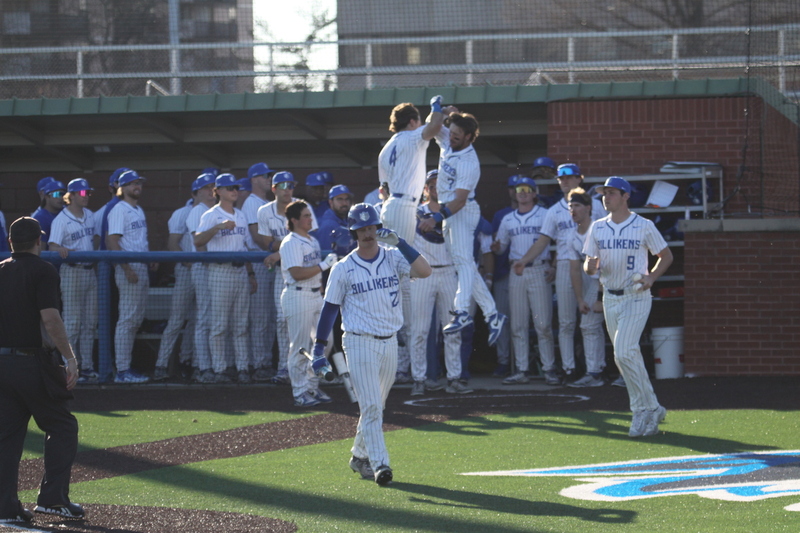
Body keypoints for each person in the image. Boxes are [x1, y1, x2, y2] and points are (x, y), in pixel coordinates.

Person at [311, 203, 431, 486]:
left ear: (378, 228)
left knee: (374, 406)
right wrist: (318, 349)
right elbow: (329, 310)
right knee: (372, 406)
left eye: (371, 228)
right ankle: (380, 464)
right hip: (358, 341)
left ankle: (357, 455)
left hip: (389, 341)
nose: (367, 234)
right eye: (361, 229)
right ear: (353, 232)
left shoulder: (393, 256)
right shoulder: (343, 268)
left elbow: (425, 271)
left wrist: (401, 243)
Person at [0, 216, 84, 523]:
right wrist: (70, 357)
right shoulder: (43, 270)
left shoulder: (1, 269)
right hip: (31, 362)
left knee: (7, 437)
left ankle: (5, 508)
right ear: (39, 240)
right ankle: (53, 498)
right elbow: (50, 319)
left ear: (10, 242)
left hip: (2, 364)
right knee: (62, 426)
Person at [584, 176, 672, 437]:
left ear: (625, 196)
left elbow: (666, 256)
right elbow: (590, 262)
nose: (605, 197)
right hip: (611, 296)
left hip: (636, 294)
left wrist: (651, 277)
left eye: (611, 193)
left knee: (623, 352)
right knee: (625, 355)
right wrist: (590, 266)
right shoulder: (598, 227)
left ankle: (640, 410)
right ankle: (652, 407)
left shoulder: (643, 225)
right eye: (604, 193)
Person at [418, 111, 506, 345]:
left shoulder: (469, 162)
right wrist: (438, 110)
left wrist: (435, 218)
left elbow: (459, 202)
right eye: (453, 132)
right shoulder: (449, 140)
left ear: (469, 137)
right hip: (451, 212)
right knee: (464, 264)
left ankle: (462, 311)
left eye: (458, 134)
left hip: (462, 212)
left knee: (464, 264)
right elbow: (433, 126)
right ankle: (492, 315)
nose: (453, 136)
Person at [514, 163, 607, 381]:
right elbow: (544, 240)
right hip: (568, 264)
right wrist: (524, 260)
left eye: (569, 178)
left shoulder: (595, 204)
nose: (564, 182)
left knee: (593, 318)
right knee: (566, 321)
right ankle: (569, 369)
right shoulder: (555, 210)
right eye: (561, 179)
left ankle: (598, 367)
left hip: (596, 263)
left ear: (579, 179)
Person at [408, 170, 469, 395]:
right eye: (431, 185)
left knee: (452, 329)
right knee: (420, 330)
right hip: (423, 274)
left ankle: (454, 378)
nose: (435, 189)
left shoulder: (452, 212)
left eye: (439, 185)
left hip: (449, 272)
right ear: (426, 189)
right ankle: (419, 379)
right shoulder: (415, 212)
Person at [492, 176, 557, 385]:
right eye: (519, 189)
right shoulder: (508, 219)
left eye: (527, 189)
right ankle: (522, 369)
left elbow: (561, 241)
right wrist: (495, 247)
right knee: (518, 325)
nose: (523, 193)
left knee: (543, 324)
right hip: (516, 272)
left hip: (539, 268)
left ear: (534, 193)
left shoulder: (545, 214)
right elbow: (501, 247)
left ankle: (549, 369)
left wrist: (554, 265)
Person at [195, 173, 257, 383]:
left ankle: (242, 368)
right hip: (219, 271)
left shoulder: (240, 215)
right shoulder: (211, 214)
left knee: (241, 325)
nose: (234, 191)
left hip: (240, 272)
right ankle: (220, 369)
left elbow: (246, 247)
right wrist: (218, 227)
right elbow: (198, 241)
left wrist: (250, 274)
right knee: (219, 324)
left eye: (236, 188)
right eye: (229, 188)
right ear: (218, 191)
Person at [258, 171, 319, 384]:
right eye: (283, 185)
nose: (288, 189)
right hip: (283, 275)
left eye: (291, 185)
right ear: (274, 188)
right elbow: (264, 241)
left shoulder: (303, 207)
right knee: (282, 321)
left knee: (313, 327)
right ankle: (284, 367)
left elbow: (311, 236)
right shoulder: (264, 211)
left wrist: (280, 250)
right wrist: (285, 248)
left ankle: (310, 369)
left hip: (306, 271)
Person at [279, 200, 338, 406]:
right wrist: (324, 265)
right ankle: (299, 392)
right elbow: (296, 273)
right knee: (300, 346)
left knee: (326, 341)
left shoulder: (312, 241)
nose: (309, 218)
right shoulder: (290, 242)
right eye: (305, 215)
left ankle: (312, 386)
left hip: (315, 295)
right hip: (297, 295)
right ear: (294, 220)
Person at [377, 97, 450, 242]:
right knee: (402, 258)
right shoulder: (412, 137)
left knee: (390, 258)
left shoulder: (385, 149)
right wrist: (436, 105)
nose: (421, 125)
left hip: (390, 206)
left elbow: (384, 191)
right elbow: (434, 125)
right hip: (404, 205)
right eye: (418, 121)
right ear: (412, 122)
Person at [48, 178, 98, 384]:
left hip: (90, 272)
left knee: (90, 323)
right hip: (72, 272)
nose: (86, 196)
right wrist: (61, 250)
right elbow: (51, 246)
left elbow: (94, 240)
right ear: (73, 195)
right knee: (73, 322)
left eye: (88, 193)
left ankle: (86, 366)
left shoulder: (91, 216)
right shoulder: (61, 219)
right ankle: (68, 366)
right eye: (83, 193)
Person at [106, 169, 151, 384]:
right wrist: (126, 268)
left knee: (135, 320)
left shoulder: (138, 209)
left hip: (140, 267)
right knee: (127, 320)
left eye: (139, 183)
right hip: (129, 269)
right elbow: (112, 242)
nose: (137, 187)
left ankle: (126, 367)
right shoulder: (119, 209)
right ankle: (122, 370)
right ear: (121, 188)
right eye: (132, 184)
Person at [152, 192, 196, 381]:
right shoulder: (182, 212)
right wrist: (188, 263)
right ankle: (161, 365)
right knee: (177, 319)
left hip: (205, 274)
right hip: (186, 272)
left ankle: (186, 361)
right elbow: (172, 243)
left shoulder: (214, 212)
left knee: (197, 321)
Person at [566, 188, 607, 388]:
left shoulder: (598, 230)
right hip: (595, 282)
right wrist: (581, 299)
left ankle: (602, 372)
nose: (573, 210)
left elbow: (606, 267)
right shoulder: (572, 236)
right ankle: (595, 371)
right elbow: (575, 270)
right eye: (570, 206)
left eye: (577, 206)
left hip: (613, 280)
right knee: (590, 325)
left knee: (616, 328)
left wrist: (599, 298)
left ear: (589, 208)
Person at [242, 162, 278, 382]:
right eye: (265, 176)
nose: (269, 179)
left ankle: (265, 362)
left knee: (272, 317)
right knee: (260, 317)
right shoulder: (251, 203)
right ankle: (258, 363)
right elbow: (256, 236)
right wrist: (282, 246)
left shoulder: (268, 203)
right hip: (258, 261)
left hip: (270, 261)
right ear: (254, 179)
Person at [185, 172, 217, 383]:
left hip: (212, 270)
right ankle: (203, 366)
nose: (210, 191)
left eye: (213, 187)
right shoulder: (198, 211)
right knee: (205, 318)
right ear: (197, 192)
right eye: (206, 188)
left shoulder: (212, 210)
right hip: (201, 267)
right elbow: (201, 243)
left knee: (211, 319)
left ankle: (203, 363)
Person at [489, 174, 521, 377]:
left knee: (520, 321)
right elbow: (495, 247)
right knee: (501, 319)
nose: (516, 192)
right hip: (503, 274)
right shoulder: (501, 215)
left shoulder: (538, 212)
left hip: (525, 272)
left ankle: (520, 362)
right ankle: (503, 361)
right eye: (513, 188)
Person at [95, 168, 129, 250]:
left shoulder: (134, 209)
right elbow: (98, 242)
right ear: (111, 188)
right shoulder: (100, 213)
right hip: (112, 260)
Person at [316, 184, 354, 253]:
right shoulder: (327, 225)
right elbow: (326, 256)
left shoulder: (348, 220)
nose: (344, 203)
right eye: (340, 199)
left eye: (347, 199)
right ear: (330, 202)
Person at [32, 180, 66, 250]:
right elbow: (41, 250)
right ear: (47, 197)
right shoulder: (40, 218)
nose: (60, 198)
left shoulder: (67, 213)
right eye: (56, 194)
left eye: (63, 194)